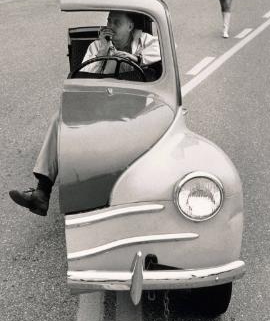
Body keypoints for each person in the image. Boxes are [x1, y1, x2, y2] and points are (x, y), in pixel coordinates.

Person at [8, 11, 161, 216]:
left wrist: (135, 58)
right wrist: (104, 53)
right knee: (60, 119)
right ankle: (42, 192)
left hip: (136, 105)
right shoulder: (96, 46)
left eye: (117, 22)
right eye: (108, 21)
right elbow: (84, 77)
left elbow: (166, 53)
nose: (111, 26)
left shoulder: (148, 41)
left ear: (130, 26)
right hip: (100, 103)